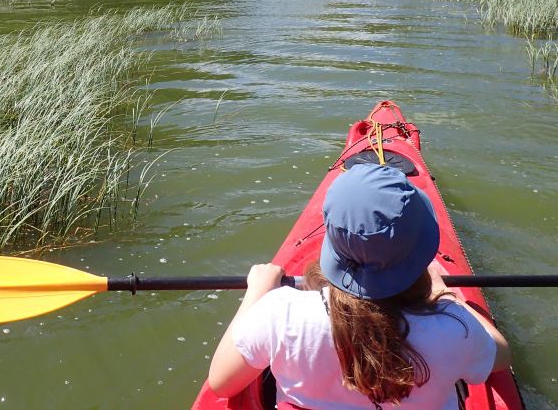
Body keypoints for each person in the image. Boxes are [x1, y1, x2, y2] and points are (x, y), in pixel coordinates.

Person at [209, 163, 512, 409]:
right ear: (420, 253)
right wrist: (446, 295)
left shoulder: (278, 313)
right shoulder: (454, 328)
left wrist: (256, 294)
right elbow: (501, 358)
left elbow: (221, 382)